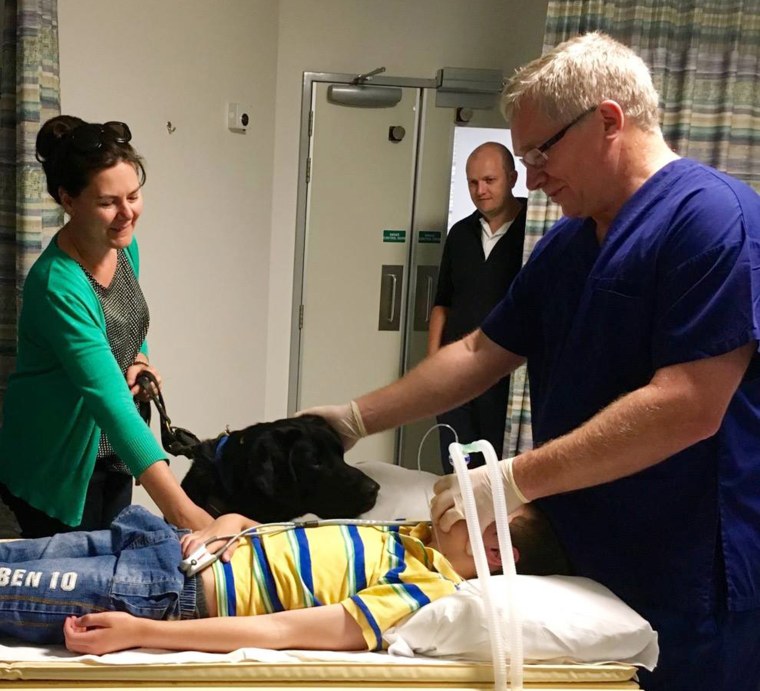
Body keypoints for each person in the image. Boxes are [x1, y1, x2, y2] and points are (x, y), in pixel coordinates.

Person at [301, 32, 760, 691]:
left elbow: (687, 404)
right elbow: (482, 351)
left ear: (607, 120)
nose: (531, 177)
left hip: (689, 569)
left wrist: (510, 480)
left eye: (541, 152)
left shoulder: (712, 220)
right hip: (587, 551)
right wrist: (351, 418)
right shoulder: (569, 244)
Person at [0, 116, 212, 537]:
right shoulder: (57, 284)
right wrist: (188, 516)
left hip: (112, 449)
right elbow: (109, 401)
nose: (126, 213)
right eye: (107, 202)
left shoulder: (124, 244)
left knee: (113, 570)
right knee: (77, 589)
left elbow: (129, 315)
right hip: (57, 458)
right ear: (68, 199)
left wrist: (139, 356)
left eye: (133, 196)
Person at [0, 502, 568, 655]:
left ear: (499, 553)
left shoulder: (423, 587)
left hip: (164, 591)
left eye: (482, 508)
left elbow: (278, 634)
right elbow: (266, 530)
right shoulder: (406, 532)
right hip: (155, 541)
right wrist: (228, 522)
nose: (458, 506)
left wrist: (139, 633)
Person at [428, 142, 526, 471]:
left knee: (498, 471)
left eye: (489, 180)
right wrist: (433, 366)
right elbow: (442, 303)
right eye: (473, 183)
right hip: (458, 374)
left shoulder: (535, 232)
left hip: (507, 378)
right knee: (459, 466)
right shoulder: (460, 234)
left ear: (512, 178)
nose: (480, 190)